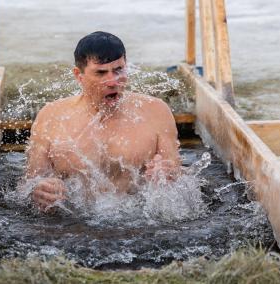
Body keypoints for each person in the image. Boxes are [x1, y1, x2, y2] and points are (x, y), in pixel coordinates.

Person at [26, 31, 181, 212]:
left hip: (137, 220)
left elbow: (178, 174)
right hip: (72, 223)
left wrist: (167, 173)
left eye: (118, 70)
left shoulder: (156, 111)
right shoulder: (52, 115)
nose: (112, 81)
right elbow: (29, 182)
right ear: (79, 75)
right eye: (101, 73)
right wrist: (39, 190)